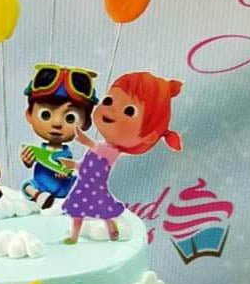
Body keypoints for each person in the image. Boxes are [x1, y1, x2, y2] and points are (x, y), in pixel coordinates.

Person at [63, 72, 183, 244]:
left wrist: (85, 140)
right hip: (83, 186)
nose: (111, 110)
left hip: (96, 189)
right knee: (77, 212)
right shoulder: (99, 148)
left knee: (104, 211)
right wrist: (73, 165)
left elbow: (99, 151)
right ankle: (74, 236)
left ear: (148, 136)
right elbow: (87, 167)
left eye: (129, 111)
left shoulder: (113, 151)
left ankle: (112, 227)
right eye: (108, 101)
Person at [20, 65, 98, 209]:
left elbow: (68, 169)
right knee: (27, 186)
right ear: (29, 115)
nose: (56, 123)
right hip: (40, 186)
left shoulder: (66, 155)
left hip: (63, 189)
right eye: (45, 115)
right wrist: (27, 160)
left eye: (70, 118)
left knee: (79, 183)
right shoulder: (39, 151)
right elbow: (31, 163)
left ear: (86, 123)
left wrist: (65, 174)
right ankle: (40, 197)